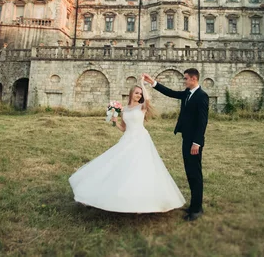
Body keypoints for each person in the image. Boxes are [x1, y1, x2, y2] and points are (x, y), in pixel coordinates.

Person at [68, 78, 185, 213]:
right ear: (130, 94)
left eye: (140, 94)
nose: (139, 95)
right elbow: (124, 128)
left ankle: (140, 201)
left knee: (140, 167)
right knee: (117, 163)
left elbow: (147, 99)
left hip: (141, 139)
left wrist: (142, 84)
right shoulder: (124, 109)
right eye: (136, 93)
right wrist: (114, 121)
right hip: (127, 138)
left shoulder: (142, 107)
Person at [142, 69, 209, 221]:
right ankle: (193, 205)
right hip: (186, 138)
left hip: (194, 143)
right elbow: (171, 93)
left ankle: (197, 209)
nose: (184, 81)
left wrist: (196, 143)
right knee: (189, 172)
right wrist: (153, 82)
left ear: (193, 79)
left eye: (185, 79)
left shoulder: (201, 96)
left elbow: (202, 122)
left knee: (195, 174)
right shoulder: (187, 93)